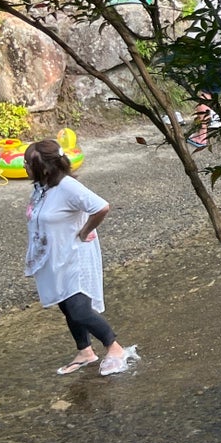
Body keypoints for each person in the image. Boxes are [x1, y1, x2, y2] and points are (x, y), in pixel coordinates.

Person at [24, 140, 136, 377]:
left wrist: (85, 231)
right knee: (66, 305)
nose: (24, 167)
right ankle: (85, 352)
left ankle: (115, 348)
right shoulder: (42, 187)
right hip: (55, 256)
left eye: (28, 163)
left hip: (76, 255)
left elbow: (101, 207)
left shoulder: (68, 187)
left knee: (79, 310)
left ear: (44, 167)